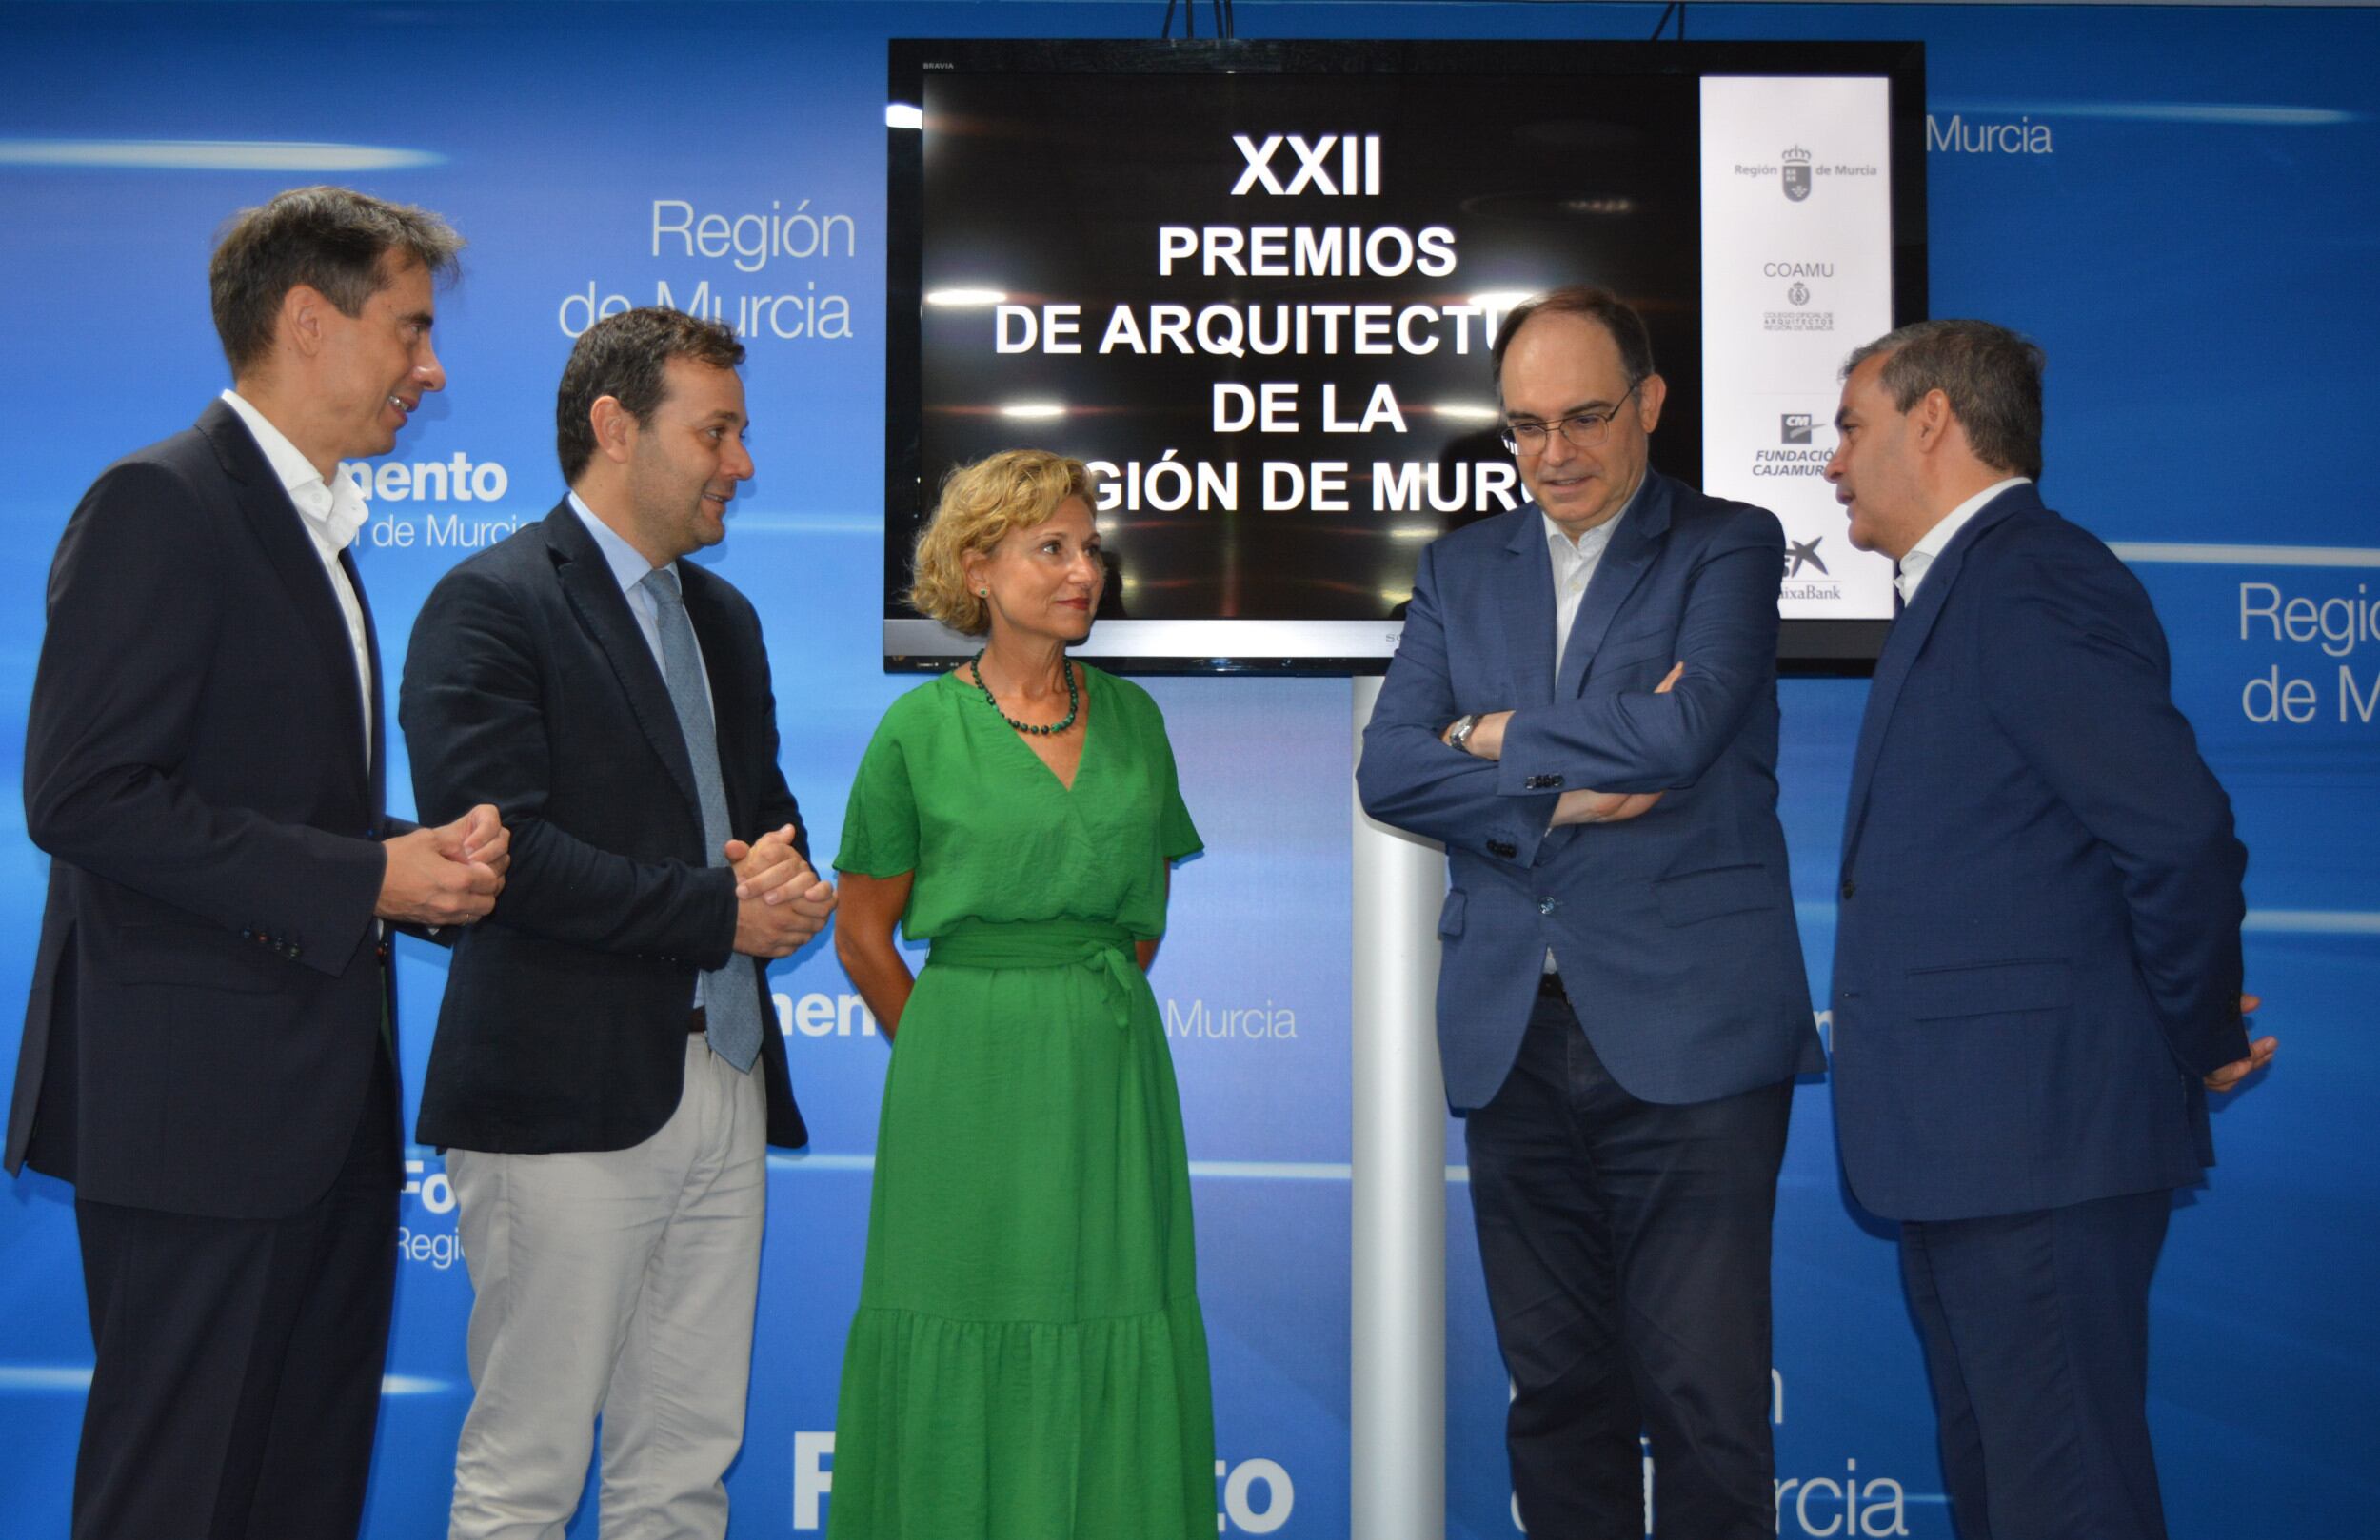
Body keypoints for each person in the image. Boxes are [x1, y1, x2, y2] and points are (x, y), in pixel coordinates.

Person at [6, 186, 505, 1540]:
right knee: (179, 1498)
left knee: (296, 1491)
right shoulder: (159, 503)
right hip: (196, 1128)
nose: (432, 368)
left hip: (315, 1119)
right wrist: (367, 882)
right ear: (306, 320)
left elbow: (259, 803)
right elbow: (84, 793)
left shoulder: (317, 537)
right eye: (409, 331)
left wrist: (413, 854)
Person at [1357, 286, 1821, 1538]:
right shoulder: (1460, 567)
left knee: (1705, 1397)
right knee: (1556, 1395)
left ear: (1652, 403)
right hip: (1513, 1035)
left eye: (1583, 417)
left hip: (1694, 1035)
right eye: (1522, 426)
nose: (1550, 453)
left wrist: (1495, 734)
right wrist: (1561, 791)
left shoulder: (1728, 542)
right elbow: (1392, 767)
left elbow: (1681, 729)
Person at [1824, 318, 2275, 1540]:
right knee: (2011, 1501)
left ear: (1931, 420)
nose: (1831, 462)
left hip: (2035, 1148)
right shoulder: (1971, 585)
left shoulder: (2030, 574)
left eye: (1850, 427)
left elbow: (2176, 831)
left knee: (2064, 1503)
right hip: (1975, 1151)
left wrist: (2191, 1032)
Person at [399, 306, 834, 1540]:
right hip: (560, 1092)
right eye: (717, 431)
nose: (739, 463)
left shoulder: (728, 622)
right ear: (612, 427)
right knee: (528, 1470)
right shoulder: (488, 603)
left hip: (726, 1074)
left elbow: (763, 818)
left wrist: (792, 886)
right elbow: (500, 853)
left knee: (683, 1468)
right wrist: (723, 908)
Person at [826, 449, 1215, 1538]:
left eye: (1088, 548)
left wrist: (1063, 1011)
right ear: (977, 566)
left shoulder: (1136, 720)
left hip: (1109, 1069)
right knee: (960, 1312)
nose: (1081, 570)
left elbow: (1137, 926)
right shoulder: (914, 729)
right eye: (1051, 547)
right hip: (962, 1079)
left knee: (1112, 1308)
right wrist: (960, 1042)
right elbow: (861, 938)